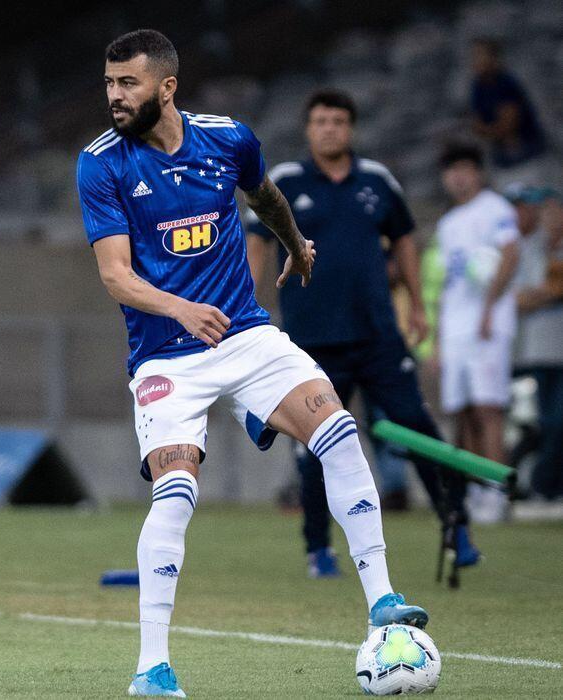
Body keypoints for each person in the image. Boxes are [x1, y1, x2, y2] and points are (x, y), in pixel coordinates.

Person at [76, 30, 428, 697]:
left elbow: (262, 195)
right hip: (166, 357)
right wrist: (179, 309)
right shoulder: (101, 164)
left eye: (128, 83)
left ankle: (381, 596)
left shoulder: (227, 139)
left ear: (167, 87)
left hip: (244, 335)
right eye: (109, 83)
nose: (115, 96)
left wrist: (295, 244)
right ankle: (152, 668)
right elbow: (116, 276)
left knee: (339, 429)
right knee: (176, 493)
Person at [246, 89, 477, 579]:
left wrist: (417, 304)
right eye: (321, 121)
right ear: (309, 129)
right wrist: (247, 304)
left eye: (338, 121)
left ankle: (456, 528)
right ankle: (318, 550)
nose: (329, 129)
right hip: (310, 344)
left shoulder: (377, 181)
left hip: (378, 337)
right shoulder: (284, 181)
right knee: (314, 446)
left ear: (350, 128)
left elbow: (406, 240)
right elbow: (257, 243)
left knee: (419, 430)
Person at [434, 144, 520, 507]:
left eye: (466, 168)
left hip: (488, 325)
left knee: (488, 407)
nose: (459, 176)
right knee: (461, 409)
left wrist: (488, 307)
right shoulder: (447, 223)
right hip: (454, 327)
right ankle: (471, 491)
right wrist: (438, 340)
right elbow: (446, 284)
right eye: (452, 170)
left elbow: (510, 255)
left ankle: (496, 490)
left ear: (479, 173)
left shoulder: (496, 209)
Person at [509, 184, 563, 500]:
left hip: (556, 350)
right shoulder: (529, 248)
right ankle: (541, 484)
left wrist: (541, 292)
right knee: (544, 422)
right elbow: (517, 298)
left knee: (554, 421)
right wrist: (551, 291)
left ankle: (544, 483)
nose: (551, 219)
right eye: (547, 213)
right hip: (533, 352)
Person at [469, 39, 546, 172]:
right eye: (473, 56)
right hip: (501, 153)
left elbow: (508, 126)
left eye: (480, 55)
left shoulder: (505, 83)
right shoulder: (478, 86)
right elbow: (477, 124)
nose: (475, 61)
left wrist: (489, 131)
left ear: (494, 57)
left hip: (527, 151)